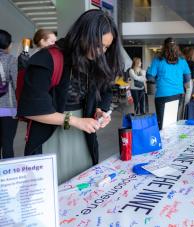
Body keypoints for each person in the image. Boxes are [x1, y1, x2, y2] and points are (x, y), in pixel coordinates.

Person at [17, 9, 123, 184]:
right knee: (52, 187)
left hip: (84, 136)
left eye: (105, 47)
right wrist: (74, 121)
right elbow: (31, 108)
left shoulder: (93, 61)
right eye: (98, 45)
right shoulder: (48, 58)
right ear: (83, 34)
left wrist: (100, 111)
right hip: (50, 135)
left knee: (83, 185)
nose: (101, 52)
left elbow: (106, 90)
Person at [147, 37, 191, 129]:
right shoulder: (182, 60)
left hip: (163, 94)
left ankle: (163, 142)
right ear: (176, 47)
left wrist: (156, 80)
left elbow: (150, 77)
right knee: (174, 121)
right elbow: (187, 77)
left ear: (164, 47)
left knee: (163, 123)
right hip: (178, 94)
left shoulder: (158, 59)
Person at [0, 29, 18, 159]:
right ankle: (7, 177)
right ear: (7, 44)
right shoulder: (11, 59)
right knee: (7, 144)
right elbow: (17, 84)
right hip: (7, 109)